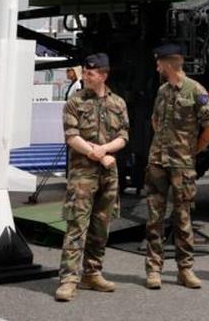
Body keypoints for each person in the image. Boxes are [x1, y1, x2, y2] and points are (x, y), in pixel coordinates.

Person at [54, 53, 129, 303]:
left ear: (104, 75)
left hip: (108, 174)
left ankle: (92, 273)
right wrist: (96, 154)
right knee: (77, 226)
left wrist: (105, 150)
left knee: (101, 226)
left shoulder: (118, 103)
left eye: (91, 74)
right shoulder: (74, 102)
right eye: (85, 73)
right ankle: (68, 280)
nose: (86, 77)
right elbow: (71, 136)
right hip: (82, 174)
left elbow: (124, 136)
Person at [144, 42, 209, 290]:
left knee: (182, 217)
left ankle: (185, 270)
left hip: (182, 164)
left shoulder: (196, 91)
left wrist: (192, 150)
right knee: (154, 218)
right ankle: (154, 270)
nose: (157, 66)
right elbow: (155, 120)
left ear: (168, 64)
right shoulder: (162, 91)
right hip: (157, 162)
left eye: (159, 62)